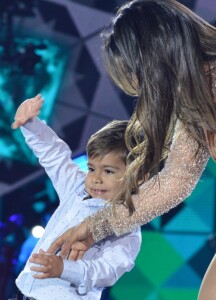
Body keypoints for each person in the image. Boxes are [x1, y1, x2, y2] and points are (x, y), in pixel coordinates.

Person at [38, 0, 216, 298]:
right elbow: (174, 183)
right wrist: (94, 228)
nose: (144, 89)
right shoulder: (194, 101)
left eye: (140, 74)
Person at [11, 94, 142, 299]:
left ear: (136, 176)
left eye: (108, 171)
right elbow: (55, 156)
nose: (96, 178)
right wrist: (30, 124)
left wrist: (64, 268)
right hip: (25, 291)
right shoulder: (77, 188)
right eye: (91, 168)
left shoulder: (128, 227)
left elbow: (106, 272)